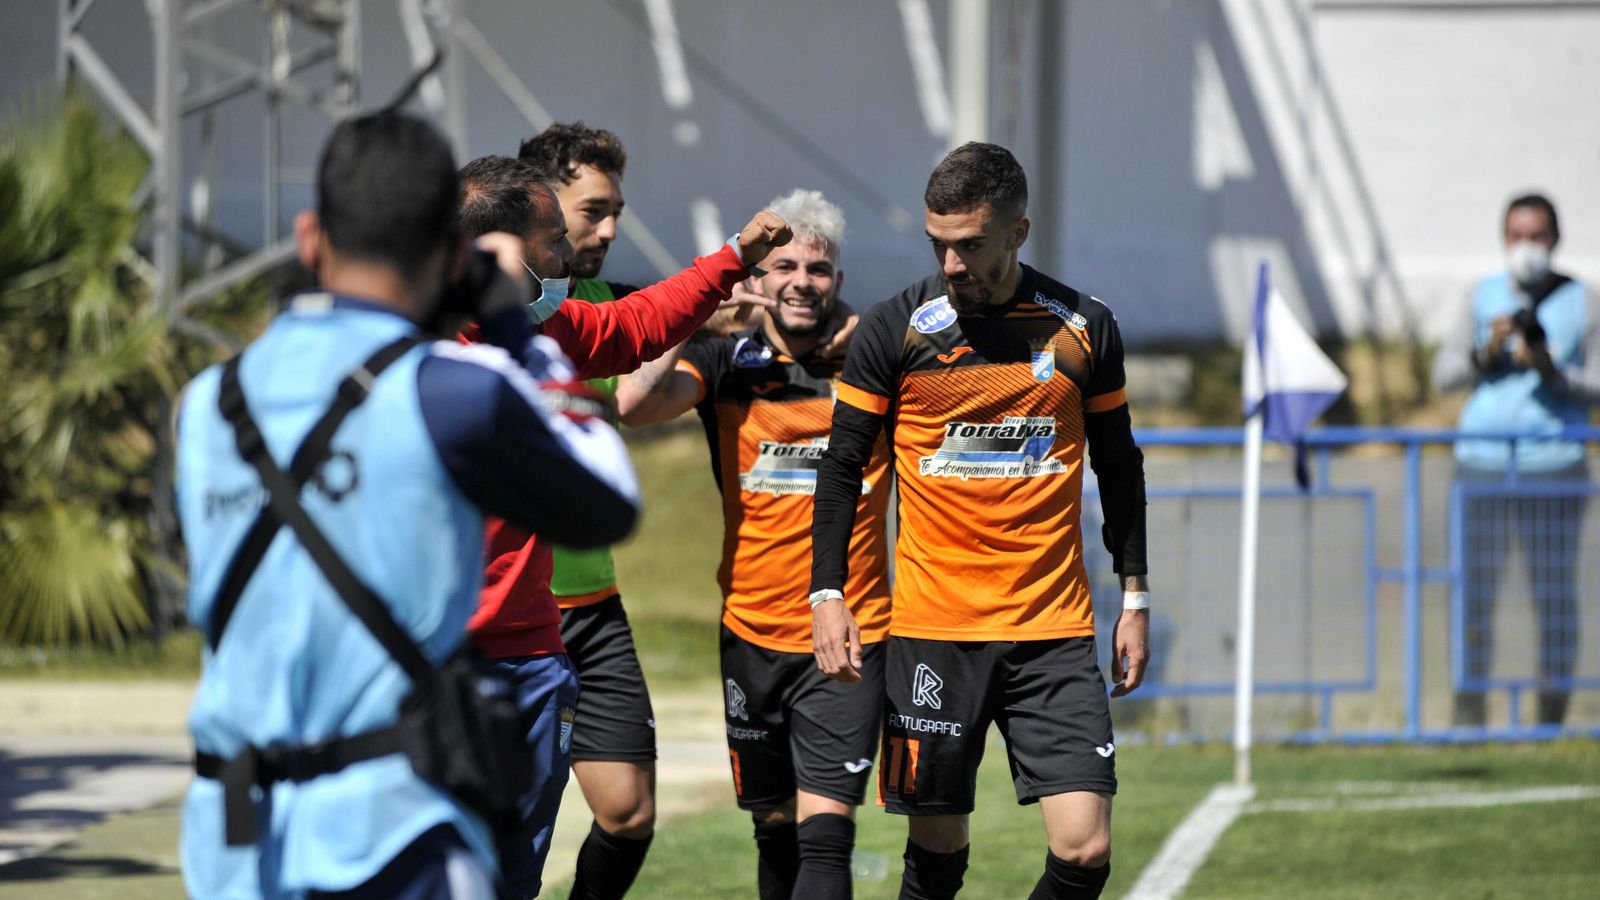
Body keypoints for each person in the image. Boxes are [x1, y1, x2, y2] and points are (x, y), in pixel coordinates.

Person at [175, 110, 640, 899]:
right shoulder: (453, 392)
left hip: (236, 832)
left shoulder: (205, 405)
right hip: (392, 826)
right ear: (456, 254)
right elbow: (608, 503)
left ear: (309, 237)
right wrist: (522, 339)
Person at [809, 143, 1151, 900]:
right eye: (939, 245)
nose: (953, 263)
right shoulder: (895, 329)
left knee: (1085, 848)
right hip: (934, 631)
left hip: (1053, 633)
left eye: (971, 245)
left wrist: (1134, 598)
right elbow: (841, 468)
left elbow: (1119, 467)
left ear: (1018, 231)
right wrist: (826, 593)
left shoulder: (1083, 328)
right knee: (936, 848)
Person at [454, 152, 792, 898]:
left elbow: (636, 324)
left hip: (534, 653)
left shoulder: (547, 330)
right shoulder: (428, 348)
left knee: (517, 875)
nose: (569, 255)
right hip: (441, 662)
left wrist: (732, 261)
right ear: (501, 249)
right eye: (554, 240)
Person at [616, 188, 892, 900]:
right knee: (773, 828)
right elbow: (634, 405)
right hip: (750, 631)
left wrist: (868, 340)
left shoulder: (875, 357)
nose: (803, 280)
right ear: (761, 278)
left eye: (820, 269)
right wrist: (694, 321)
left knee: (826, 836)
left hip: (850, 629)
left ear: (838, 279)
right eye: (786, 265)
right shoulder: (724, 358)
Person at [1431, 192, 1599, 728]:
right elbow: (1444, 376)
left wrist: (1551, 369)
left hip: (1554, 466)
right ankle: (1469, 716)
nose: (1527, 246)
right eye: (1517, 236)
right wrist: (1488, 355)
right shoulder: (1483, 296)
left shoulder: (1581, 299)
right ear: (1505, 239)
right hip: (1482, 464)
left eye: (1538, 236)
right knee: (1474, 595)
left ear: (1555, 238)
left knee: (1552, 596)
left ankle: (1550, 718)